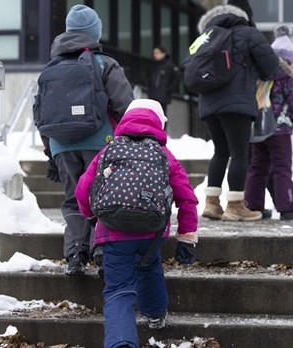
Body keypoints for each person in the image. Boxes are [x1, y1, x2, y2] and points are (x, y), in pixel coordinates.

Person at [75, 99, 199, 348]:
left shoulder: (108, 151)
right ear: (159, 123)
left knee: (118, 289)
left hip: (112, 231)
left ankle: (121, 342)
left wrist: (90, 216)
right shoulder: (163, 154)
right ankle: (155, 314)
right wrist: (186, 236)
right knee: (149, 266)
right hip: (151, 231)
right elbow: (187, 197)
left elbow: (82, 189)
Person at [42, 4, 134, 275]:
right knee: (102, 196)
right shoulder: (104, 63)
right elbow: (124, 106)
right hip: (100, 143)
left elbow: (42, 113)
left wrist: (51, 151)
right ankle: (103, 250)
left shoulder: (51, 66)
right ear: (95, 34)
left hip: (61, 145)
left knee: (73, 200)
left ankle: (75, 255)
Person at [197, 2, 280, 222]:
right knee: (239, 153)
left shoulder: (207, 34)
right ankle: (235, 206)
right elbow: (271, 66)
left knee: (220, 151)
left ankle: (211, 204)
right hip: (237, 104)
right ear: (244, 14)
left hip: (207, 103)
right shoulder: (248, 33)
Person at [244, 25, 293, 221]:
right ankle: (288, 207)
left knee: (257, 168)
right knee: (282, 168)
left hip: (258, 131)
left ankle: (253, 206)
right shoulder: (287, 79)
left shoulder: (259, 76)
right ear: (290, 61)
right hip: (280, 132)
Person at [146, 46, 181, 116]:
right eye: (154, 53)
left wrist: (170, 88)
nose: (155, 55)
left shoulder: (169, 65)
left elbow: (178, 75)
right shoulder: (154, 65)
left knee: (162, 114)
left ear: (163, 54)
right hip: (153, 94)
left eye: (157, 53)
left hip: (163, 95)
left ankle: (162, 127)